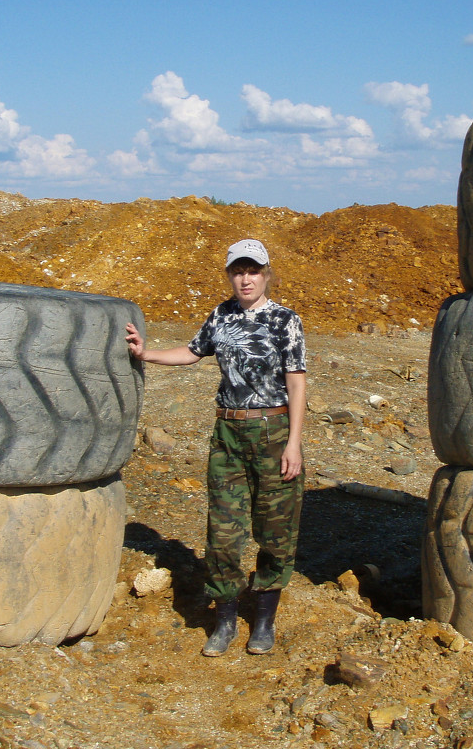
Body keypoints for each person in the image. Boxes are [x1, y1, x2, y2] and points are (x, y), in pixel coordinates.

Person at [125, 238, 306, 657]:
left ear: (266, 274)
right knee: (223, 533)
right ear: (229, 274)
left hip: (273, 430)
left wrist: (293, 443)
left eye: (253, 271)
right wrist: (145, 353)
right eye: (238, 271)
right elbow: (191, 352)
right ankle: (224, 620)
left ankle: (263, 620)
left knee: (276, 532)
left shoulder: (285, 320)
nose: (245, 278)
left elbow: (297, 383)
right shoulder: (220, 316)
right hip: (227, 433)